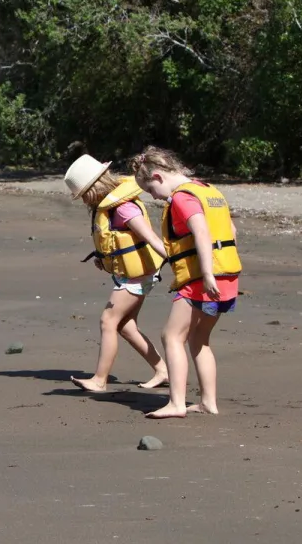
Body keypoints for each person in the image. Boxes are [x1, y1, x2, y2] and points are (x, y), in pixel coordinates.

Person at [132, 146, 242, 418]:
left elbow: (201, 232)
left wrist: (206, 274)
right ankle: (208, 402)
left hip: (201, 279)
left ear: (157, 177)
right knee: (199, 339)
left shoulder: (182, 198)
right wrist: (219, 271)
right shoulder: (208, 190)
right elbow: (232, 231)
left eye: (149, 190)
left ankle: (177, 403)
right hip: (227, 276)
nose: (153, 197)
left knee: (172, 335)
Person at [63, 154, 169, 393]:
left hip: (138, 276)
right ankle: (162, 370)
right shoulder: (110, 207)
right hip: (132, 274)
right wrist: (104, 258)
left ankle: (100, 380)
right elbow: (115, 241)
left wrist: (181, 263)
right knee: (125, 325)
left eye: (83, 195)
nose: (84, 201)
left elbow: (151, 238)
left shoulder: (122, 208)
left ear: (93, 189)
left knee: (108, 321)